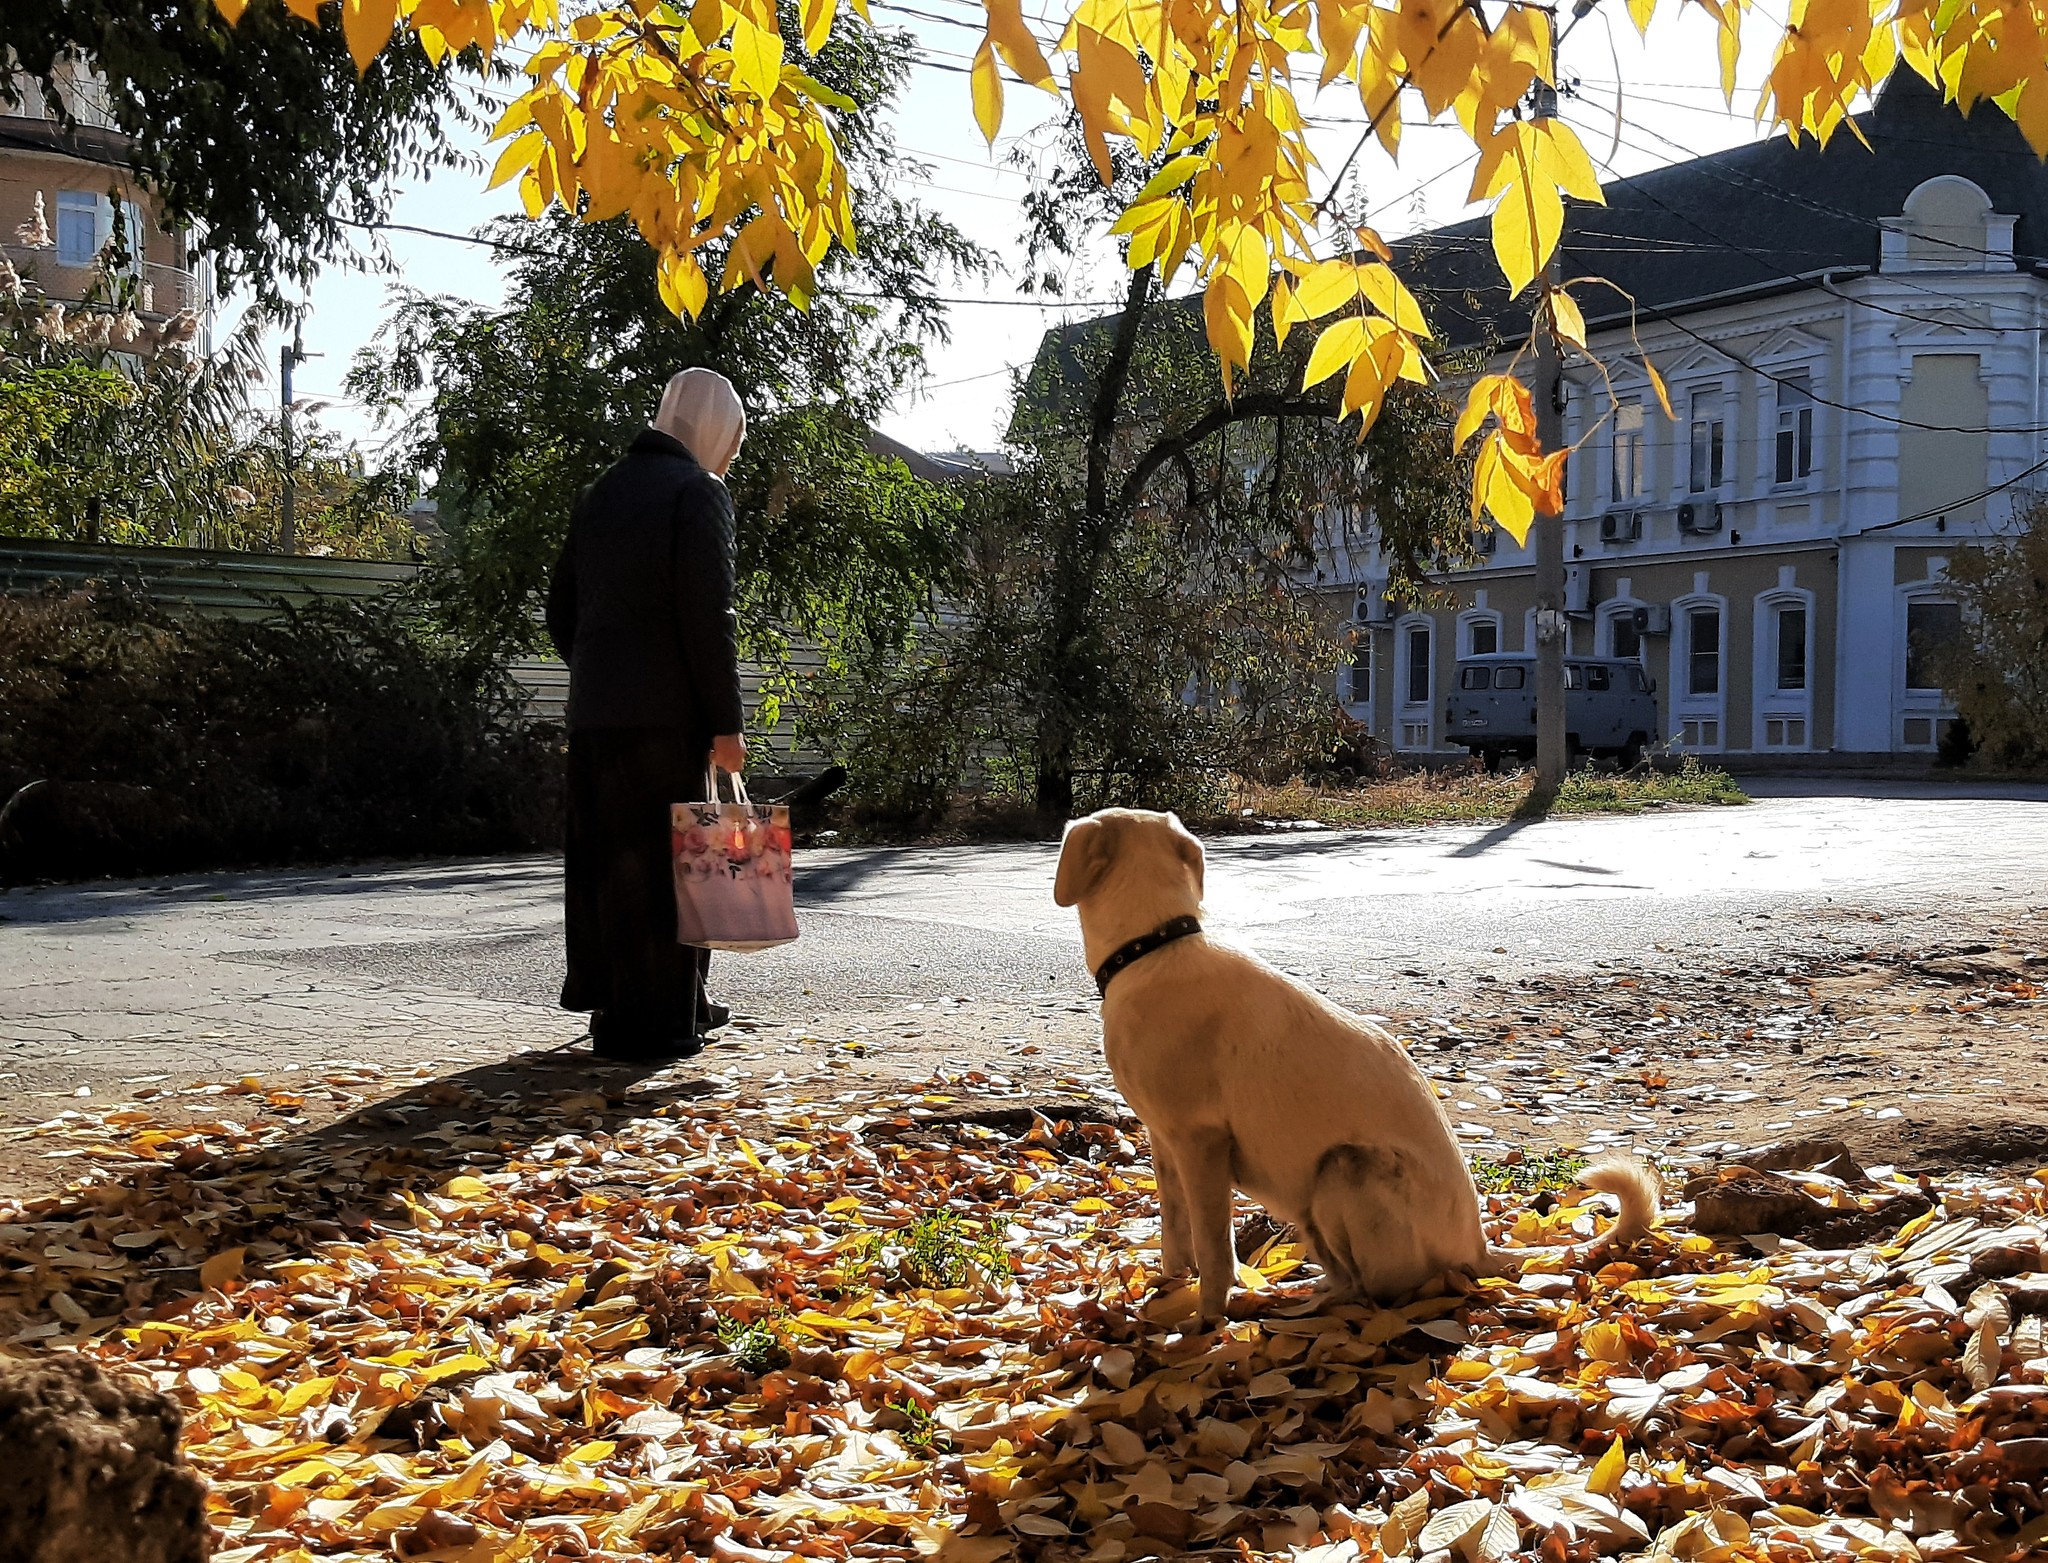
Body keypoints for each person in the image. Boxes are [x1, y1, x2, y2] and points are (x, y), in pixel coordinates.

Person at [545, 368, 749, 1061]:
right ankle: (663, 1021)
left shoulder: (597, 493)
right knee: (678, 870)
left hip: (596, 716)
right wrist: (725, 723)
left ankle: (622, 1011)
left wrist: (602, 674)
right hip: (668, 723)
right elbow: (708, 619)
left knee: (610, 868)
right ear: (715, 429)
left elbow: (561, 611)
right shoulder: (699, 492)